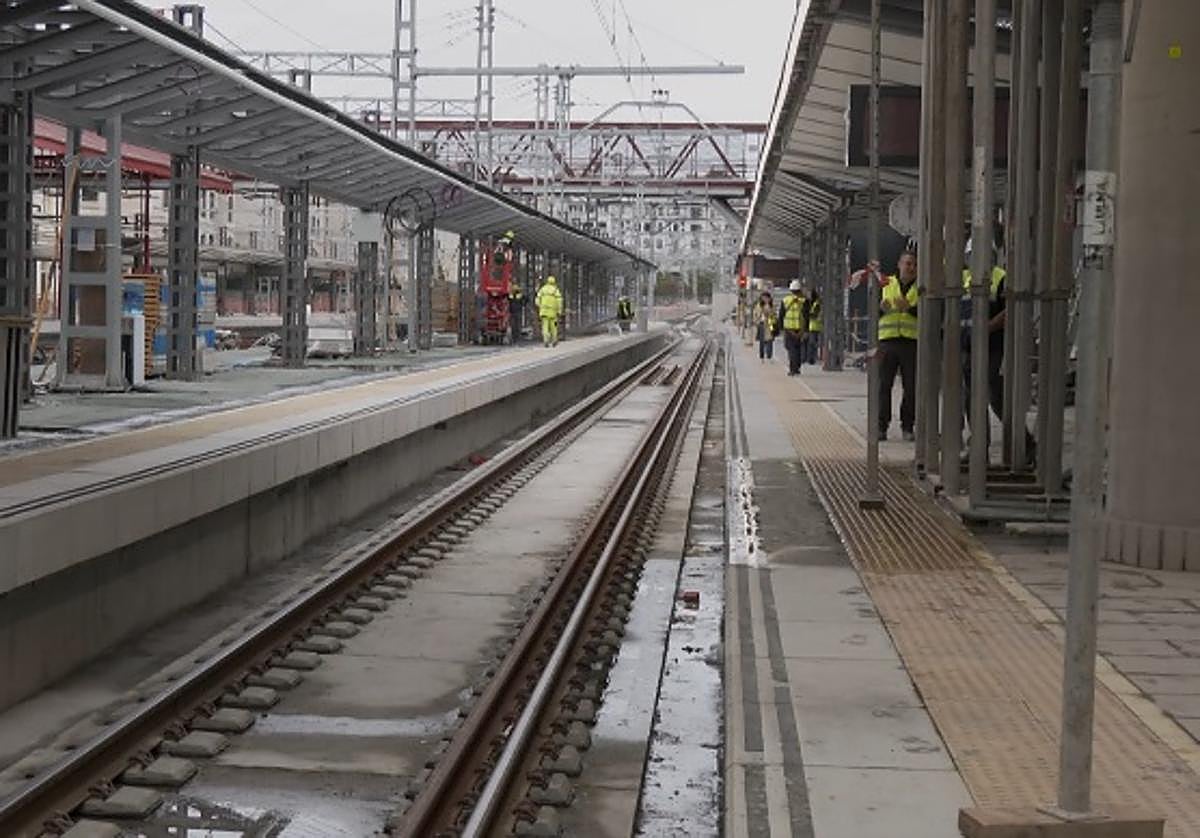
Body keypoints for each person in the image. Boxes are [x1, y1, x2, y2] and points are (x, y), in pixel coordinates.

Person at [961, 240, 1036, 465]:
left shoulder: (1000, 277)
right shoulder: (965, 278)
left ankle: (1026, 445)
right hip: (969, 348)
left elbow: (1009, 311)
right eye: (973, 255)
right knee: (972, 399)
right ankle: (979, 450)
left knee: (997, 399)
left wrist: (986, 328)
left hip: (993, 348)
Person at [871, 249, 919, 441]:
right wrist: (881, 310)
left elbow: (931, 313)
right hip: (888, 341)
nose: (911, 268)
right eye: (907, 263)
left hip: (911, 342)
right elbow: (873, 311)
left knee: (911, 386)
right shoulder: (886, 283)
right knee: (884, 385)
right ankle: (881, 426)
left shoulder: (921, 287)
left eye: (914, 264)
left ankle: (908, 426)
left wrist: (910, 308)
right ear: (899, 265)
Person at [778, 280, 806, 376]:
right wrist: (805, 330)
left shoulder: (785, 300)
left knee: (791, 349)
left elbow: (781, 315)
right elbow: (807, 316)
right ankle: (797, 368)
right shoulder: (804, 301)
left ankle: (792, 369)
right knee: (798, 349)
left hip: (789, 329)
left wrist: (780, 328)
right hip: (800, 329)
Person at [536, 275, 563, 347]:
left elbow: (537, 300)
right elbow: (559, 301)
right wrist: (559, 311)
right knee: (553, 327)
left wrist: (540, 307)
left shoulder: (542, 289)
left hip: (544, 312)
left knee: (545, 327)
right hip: (553, 312)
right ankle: (554, 340)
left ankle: (546, 341)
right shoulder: (555, 290)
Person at [754, 291, 777, 362]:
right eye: (764, 297)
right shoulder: (759, 306)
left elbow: (774, 315)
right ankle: (762, 356)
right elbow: (756, 315)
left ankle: (769, 356)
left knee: (770, 340)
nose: (765, 299)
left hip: (770, 324)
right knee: (762, 341)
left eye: (767, 297)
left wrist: (770, 313)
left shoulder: (772, 306)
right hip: (762, 324)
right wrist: (757, 322)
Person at [805, 288, 822, 365]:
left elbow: (814, 315)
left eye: (809, 295)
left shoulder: (816, 304)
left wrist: (807, 315)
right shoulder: (810, 303)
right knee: (809, 343)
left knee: (812, 343)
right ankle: (809, 358)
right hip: (810, 326)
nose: (808, 296)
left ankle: (812, 359)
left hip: (815, 327)